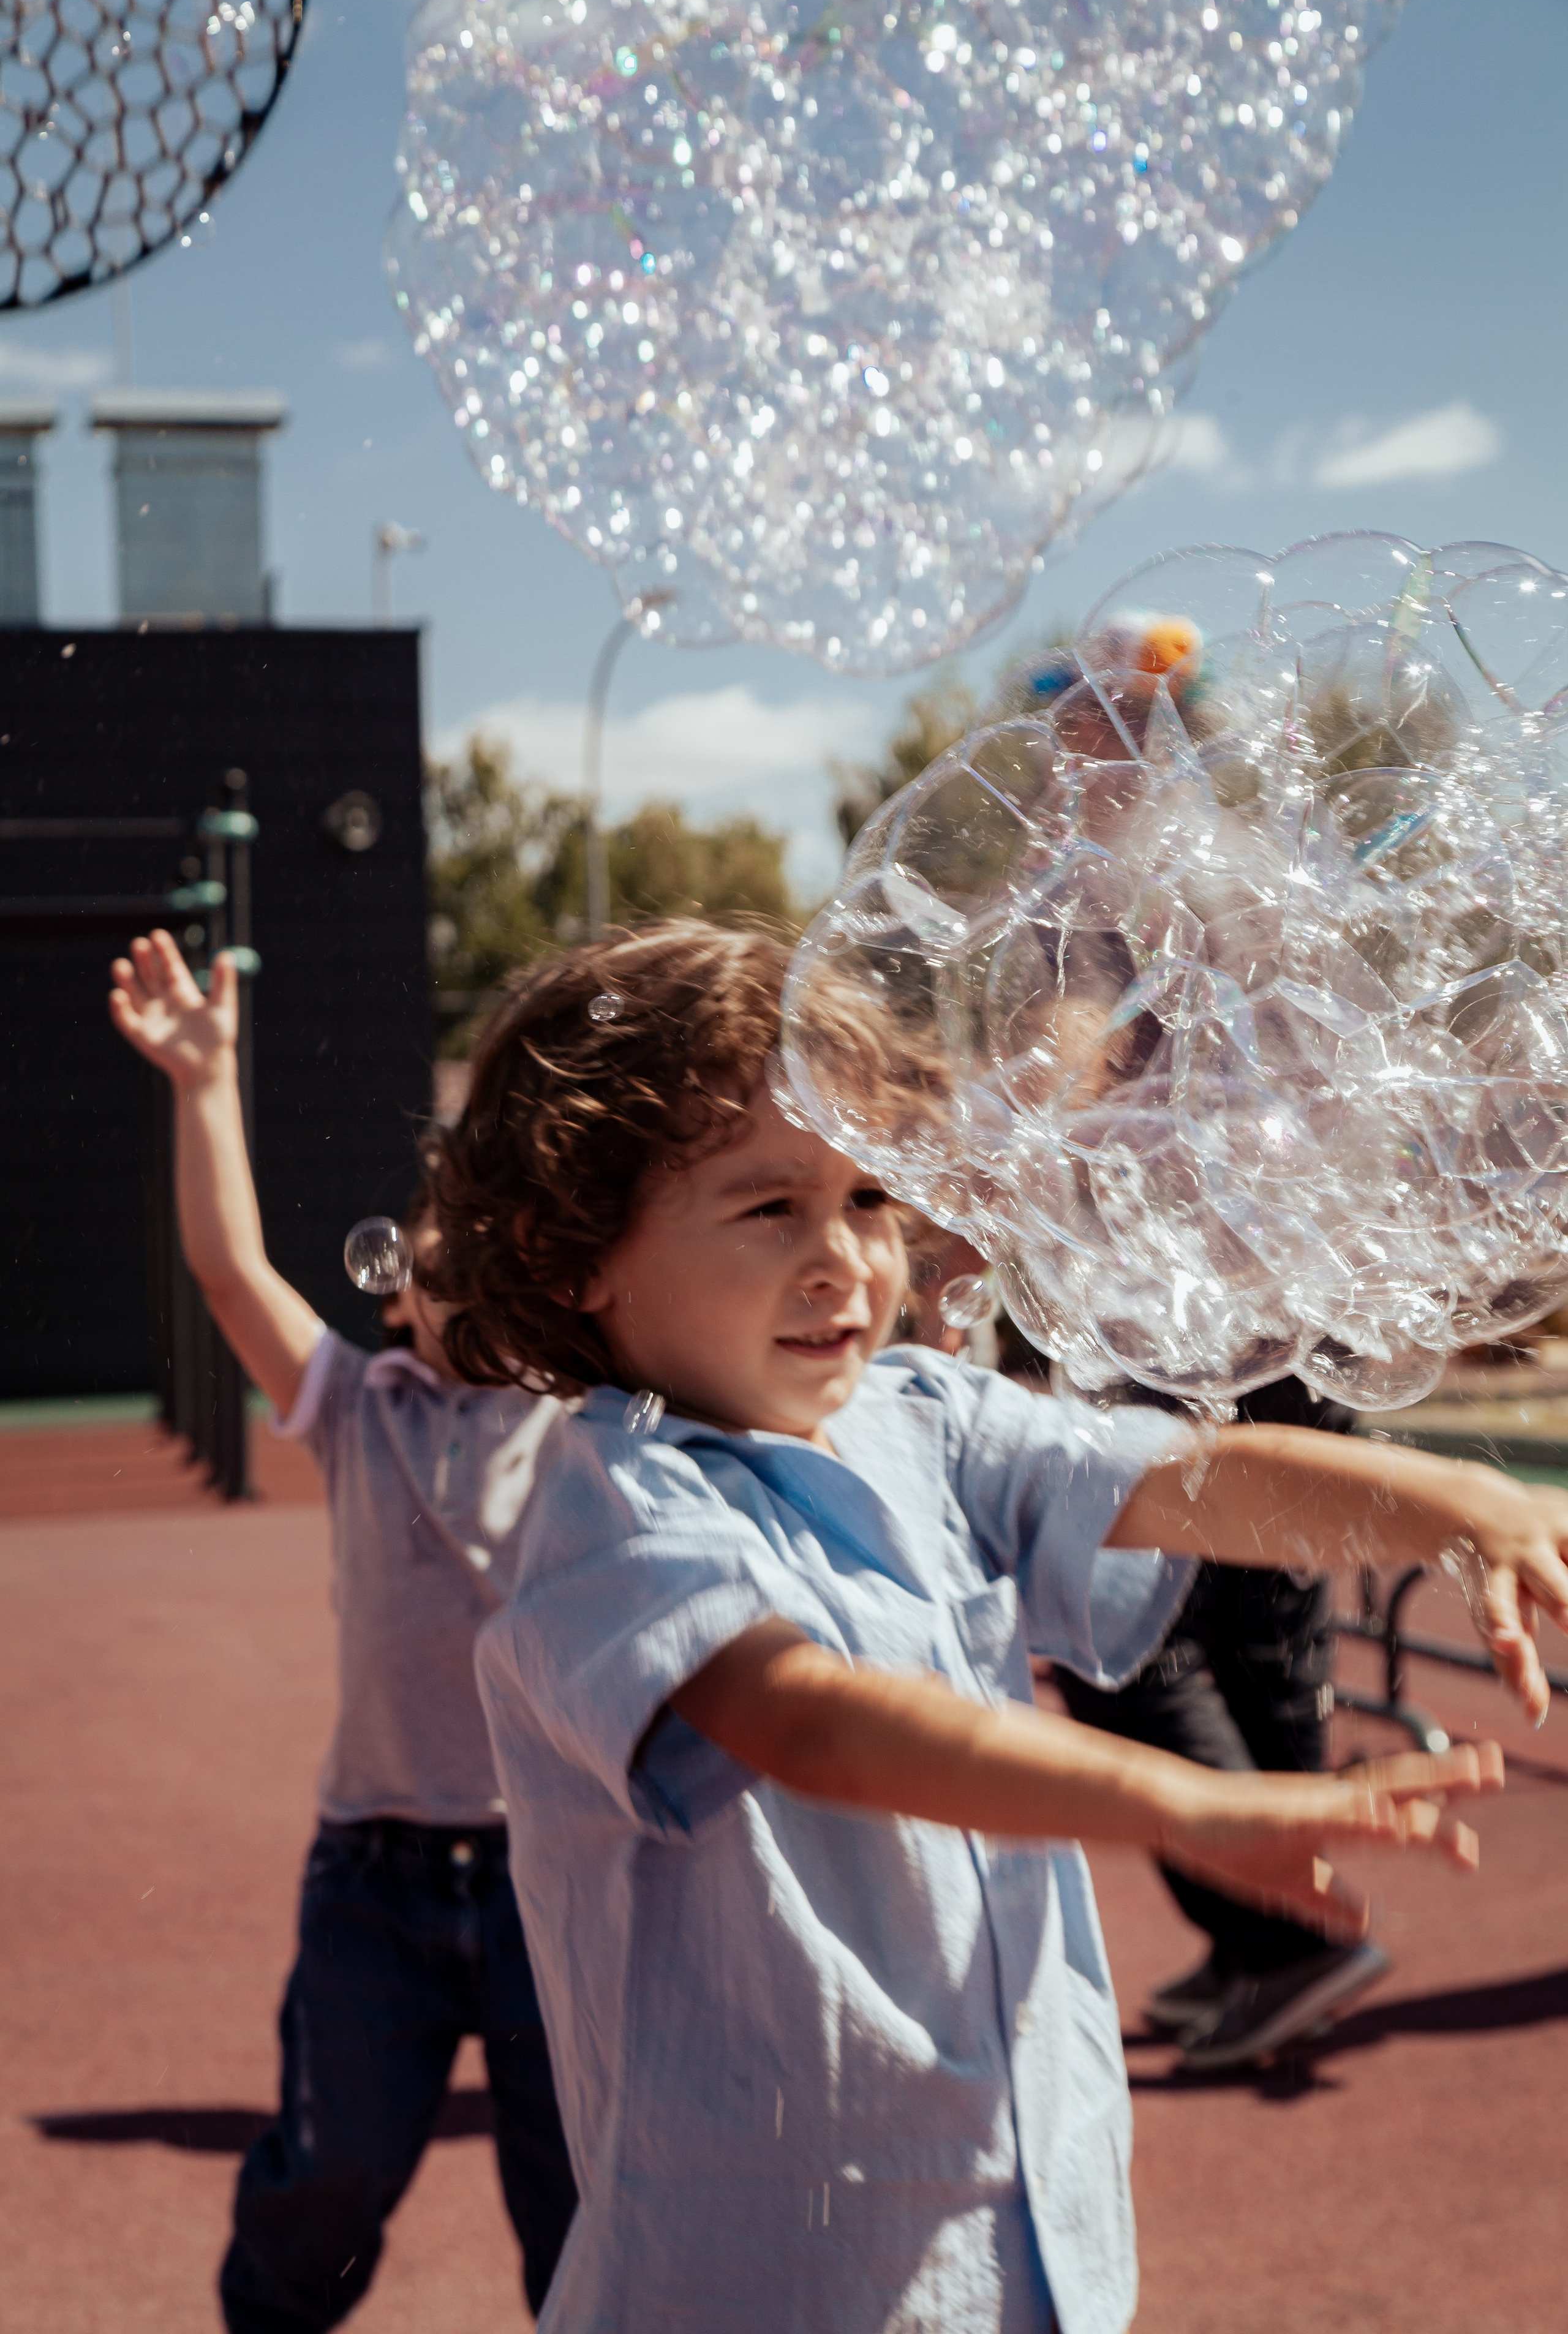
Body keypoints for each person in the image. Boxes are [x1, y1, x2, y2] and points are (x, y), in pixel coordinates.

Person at [424, 920, 1564, 2334]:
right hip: (771, 2273)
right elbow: (807, 1720)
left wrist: (1450, 1501)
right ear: (575, 1251)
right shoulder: (612, 1504)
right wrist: (1185, 1801)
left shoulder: (922, 1417)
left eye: (866, 1198)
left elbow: (1179, 1480)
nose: (843, 1256)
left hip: (1026, 2235)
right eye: (767, 1206)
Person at [107, 928, 576, 2334]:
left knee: (577, 2193)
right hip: (374, 1874)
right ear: (397, 1294)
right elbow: (231, 1267)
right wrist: (203, 1083)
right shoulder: (361, 1409)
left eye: (499, 1243)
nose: (464, 1254)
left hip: (554, 1872)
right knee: (329, 2174)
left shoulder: (579, 1422)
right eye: (441, 1240)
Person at [1051, 1376, 1376, 2071]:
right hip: (1242, 1363)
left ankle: (1281, 1941)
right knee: (1257, 1637)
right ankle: (1259, 1943)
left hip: (1203, 1371)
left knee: (1124, 1648)